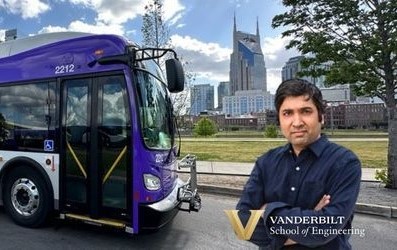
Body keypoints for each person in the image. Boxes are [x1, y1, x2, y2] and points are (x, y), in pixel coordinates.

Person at [236, 79, 361, 249]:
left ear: (321, 117)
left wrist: (269, 210)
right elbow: (242, 223)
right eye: (287, 113)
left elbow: (325, 228)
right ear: (279, 120)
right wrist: (311, 217)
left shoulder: (344, 163)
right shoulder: (266, 162)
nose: (297, 122)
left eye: (306, 111)